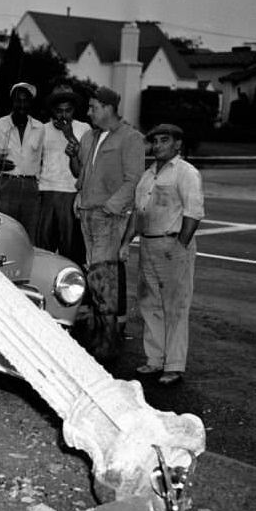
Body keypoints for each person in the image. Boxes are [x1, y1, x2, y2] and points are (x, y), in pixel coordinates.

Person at [120, 124, 204, 386]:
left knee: (176, 307)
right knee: (149, 303)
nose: (157, 146)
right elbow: (137, 213)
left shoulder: (186, 173)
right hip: (148, 245)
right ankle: (155, 360)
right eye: (154, 141)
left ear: (177, 144)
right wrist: (125, 243)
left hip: (173, 244)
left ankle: (174, 366)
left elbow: (193, 212)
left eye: (164, 141)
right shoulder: (147, 176)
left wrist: (180, 246)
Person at [71, 85, 144, 362]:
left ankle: (108, 342)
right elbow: (84, 173)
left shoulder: (131, 138)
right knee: (94, 276)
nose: (89, 112)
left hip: (108, 218)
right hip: (87, 214)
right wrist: (79, 195)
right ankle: (98, 334)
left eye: (93, 107)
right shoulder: (90, 136)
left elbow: (133, 179)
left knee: (104, 278)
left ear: (109, 108)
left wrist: (111, 207)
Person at [0, 81, 44, 237]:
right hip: (7, 184)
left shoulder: (40, 128)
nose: (22, 105)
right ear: (12, 102)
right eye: (18, 100)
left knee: (29, 233)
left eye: (26, 100)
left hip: (31, 187)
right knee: (4, 231)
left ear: (31, 103)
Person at [36, 84, 90, 266]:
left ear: (73, 110)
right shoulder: (41, 129)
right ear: (52, 110)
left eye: (68, 111)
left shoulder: (84, 129)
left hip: (71, 193)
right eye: (59, 111)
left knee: (71, 249)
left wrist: (69, 135)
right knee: (44, 247)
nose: (63, 116)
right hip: (47, 191)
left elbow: (86, 160)